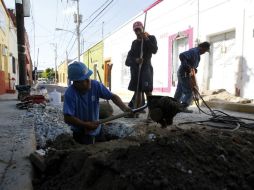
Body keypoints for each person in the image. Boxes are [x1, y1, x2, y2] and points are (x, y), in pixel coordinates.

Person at [63, 61, 131, 144]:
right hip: (81, 131)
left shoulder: (96, 85)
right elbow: (67, 118)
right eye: (85, 80)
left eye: (89, 78)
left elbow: (113, 97)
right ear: (76, 82)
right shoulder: (70, 93)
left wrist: (125, 108)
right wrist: (85, 125)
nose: (89, 82)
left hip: (97, 128)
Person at [125, 21, 158, 113]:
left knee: (148, 91)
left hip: (146, 69)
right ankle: (136, 111)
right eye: (136, 31)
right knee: (138, 91)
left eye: (139, 30)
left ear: (142, 28)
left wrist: (146, 39)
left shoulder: (151, 38)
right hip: (136, 71)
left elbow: (154, 50)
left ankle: (152, 113)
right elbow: (127, 61)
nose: (138, 32)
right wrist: (136, 60)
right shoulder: (134, 43)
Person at [174, 42, 210, 112]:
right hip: (184, 73)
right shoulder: (194, 51)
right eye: (205, 51)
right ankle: (183, 107)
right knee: (189, 91)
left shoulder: (197, 53)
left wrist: (194, 69)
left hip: (182, 73)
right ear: (202, 48)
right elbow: (182, 55)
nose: (204, 52)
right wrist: (186, 66)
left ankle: (174, 106)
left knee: (180, 91)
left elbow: (191, 63)